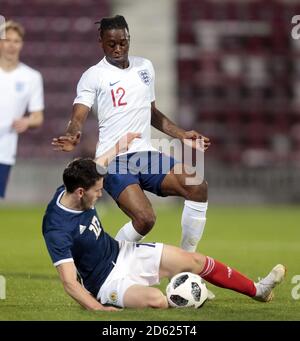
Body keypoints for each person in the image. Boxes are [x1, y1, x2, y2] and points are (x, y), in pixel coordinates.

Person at [43, 135, 285, 310]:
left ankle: (258, 290)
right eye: (97, 191)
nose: (100, 195)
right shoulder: (57, 227)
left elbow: (100, 164)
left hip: (124, 253)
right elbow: (69, 282)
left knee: (194, 260)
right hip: (106, 282)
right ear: (80, 192)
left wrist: (120, 145)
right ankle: (175, 298)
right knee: (157, 300)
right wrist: (98, 309)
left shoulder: (74, 184)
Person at [52, 15, 210, 253]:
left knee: (197, 186)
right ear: (101, 42)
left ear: (129, 39)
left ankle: (187, 261)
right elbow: (78, 116)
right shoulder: (94, 75)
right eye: (111, 44)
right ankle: (108, 260)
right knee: (145, 219)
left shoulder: (145, 67)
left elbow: (152, 112)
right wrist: (73, 133)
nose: (117, 49)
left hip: (145, 154)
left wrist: (181, 134)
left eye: (122, 43)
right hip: (114, 160)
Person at [0, 20, 44, 199]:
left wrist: (27, 121)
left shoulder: (31, 77)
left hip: (4, 149)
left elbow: (38, 117)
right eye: (7, 40)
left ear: (22, 44)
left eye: (16, 41)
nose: (11, 45)